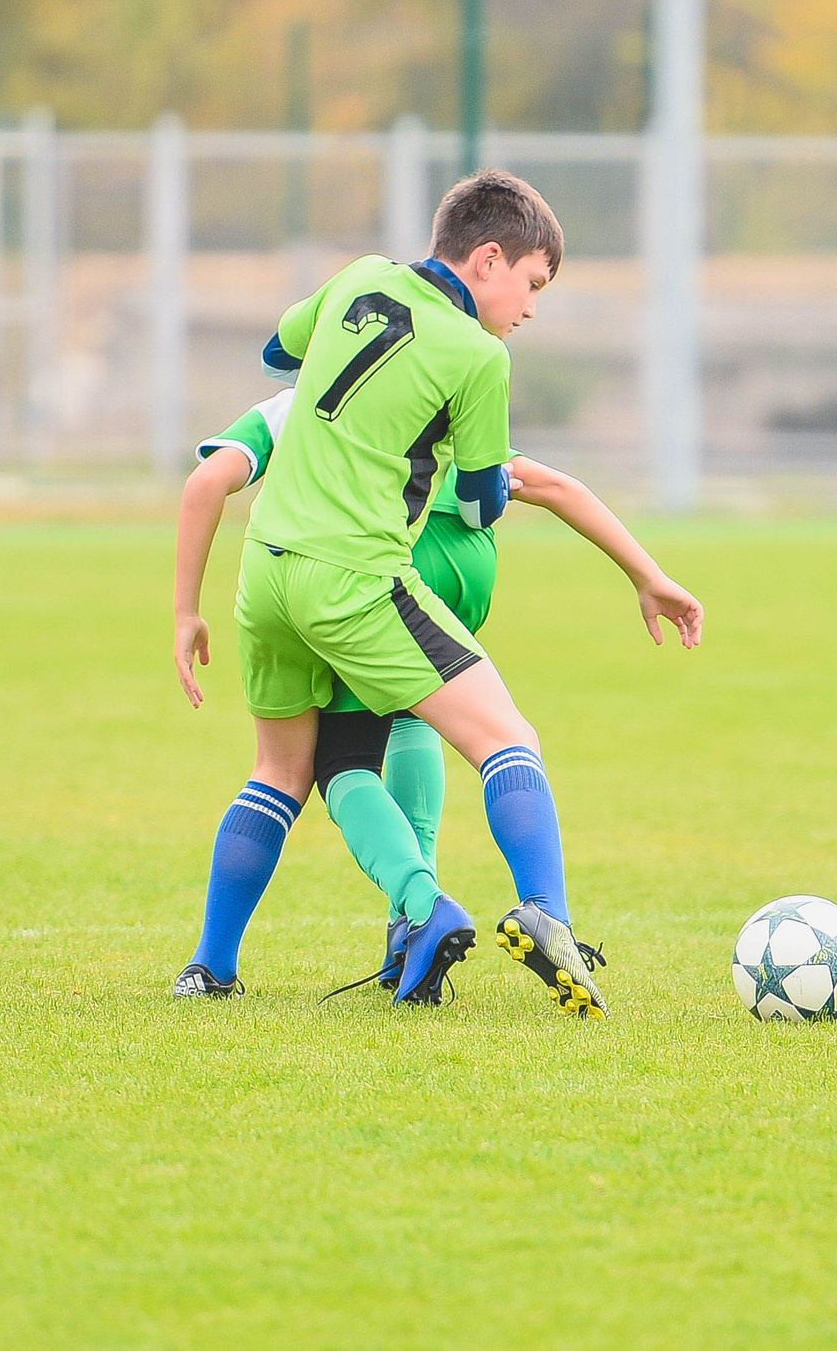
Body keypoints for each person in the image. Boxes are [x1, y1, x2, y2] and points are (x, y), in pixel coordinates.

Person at [199, 169, 641, 1014]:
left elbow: (278, 354)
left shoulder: (360, 273)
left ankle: (211, 966)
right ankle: (545, 913)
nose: (532, 308)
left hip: (264, 569)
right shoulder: (479, 355)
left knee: (291, 769)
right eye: (533, 284)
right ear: (486, 259)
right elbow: (477, 503)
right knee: (507, 737)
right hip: (357, 575)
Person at [168, 387, 702, 1003]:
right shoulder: (430, 392)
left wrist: (186, 609)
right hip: (441, 570)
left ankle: (393, 916)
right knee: (421, 723)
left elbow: (208, 479)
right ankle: (457, 921)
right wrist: (649, 575)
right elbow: (553, 486)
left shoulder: (295, 404)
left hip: (333, 572)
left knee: (327, 763)